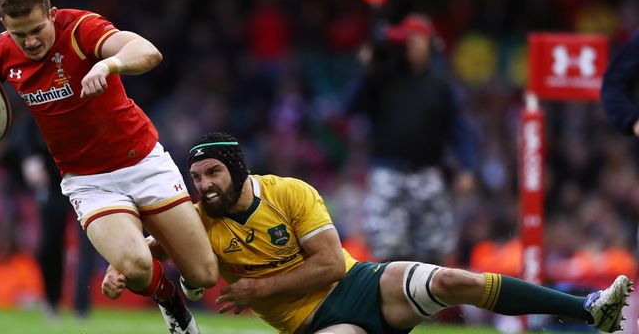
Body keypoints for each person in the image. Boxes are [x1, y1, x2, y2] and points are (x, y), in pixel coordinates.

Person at [101, 132, 632, 334]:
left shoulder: (290, 192)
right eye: (195, 178)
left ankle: (589, 310)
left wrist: (256, 289)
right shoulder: (198, 219)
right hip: (310, 323)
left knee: (451, 280)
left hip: (358, 285)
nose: (203, 186)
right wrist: (119, 269)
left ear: (236, 168)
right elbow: (150, 247)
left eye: (212, 173)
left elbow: (332, 265)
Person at [0, 0, 218, 334]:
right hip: (87, 180)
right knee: (135, 266)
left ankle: (163, 253)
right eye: (19, 33)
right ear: (5, 26)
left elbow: (147, 51)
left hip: (144, 162)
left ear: (52, 15)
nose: (30, 41)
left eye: (37, 29)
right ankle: (172, 304)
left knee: (204, 274)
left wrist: (109, 65)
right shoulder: (1, 50)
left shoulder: (80, 29)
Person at [347, 12, 478, 264]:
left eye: (418, 38)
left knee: (435, 249)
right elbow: (349, 107)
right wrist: (367, 69)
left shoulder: (441, 85)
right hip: (388, 170)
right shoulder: (382, 78)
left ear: (431, 44)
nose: (413, 44)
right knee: (387, 247)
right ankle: (388, 301)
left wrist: (468, 167)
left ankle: (433, 302)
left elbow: (459, 128)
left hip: (428, 172)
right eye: (409, 39)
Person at [17, 112, 98, 319]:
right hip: (52, 186)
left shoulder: (79, 104)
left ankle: (81, 308)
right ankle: (52, 302)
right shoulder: (38, 104)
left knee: (88, 245)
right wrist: (29, 161)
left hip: (83, 183)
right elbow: (26, 132)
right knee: (50, 246)